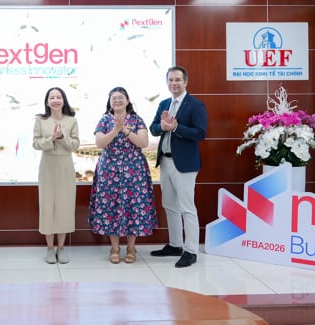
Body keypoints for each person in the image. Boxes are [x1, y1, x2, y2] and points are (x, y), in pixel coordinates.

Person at [88, 86, 157, 264]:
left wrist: (125, 129)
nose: (117, 101)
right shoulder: (104, 120)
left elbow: (143, 142)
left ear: (127, 101)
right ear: (110, 102)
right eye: (114, 98)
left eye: (121, 97)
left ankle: (131, 248)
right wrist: (115, 129)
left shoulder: (136, 119)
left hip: (134, 170)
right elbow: (99, 143)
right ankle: (115, 248)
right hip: (109, 170)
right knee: (111, 207)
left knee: (133, 207)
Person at [149, 66, 208, 268]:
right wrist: (162, 127)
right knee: (169, 205)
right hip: (165, 162)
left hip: (185, 164)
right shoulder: (164, 104)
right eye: (171, 80)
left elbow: (200, 133)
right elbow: (153, 128)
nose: (174, 83)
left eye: (177, 80)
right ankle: (175, 245)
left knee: (187, 208)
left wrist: (176, 127)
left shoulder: (195, 105)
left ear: (185, 82)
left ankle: (191, 251)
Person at [32, 87, 80, 264]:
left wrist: (62, 137)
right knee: (47, 206)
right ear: (47, 102)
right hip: (47, 165)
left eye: (58, 97)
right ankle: (50, 249)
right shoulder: (40, 120)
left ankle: (61, 248)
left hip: (65, 165)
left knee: (64, 206)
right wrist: (51, 139)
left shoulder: (72, 121)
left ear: (63, 100)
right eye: (51, 97)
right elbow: (35, 144)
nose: (55, 100)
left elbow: (75, 145)